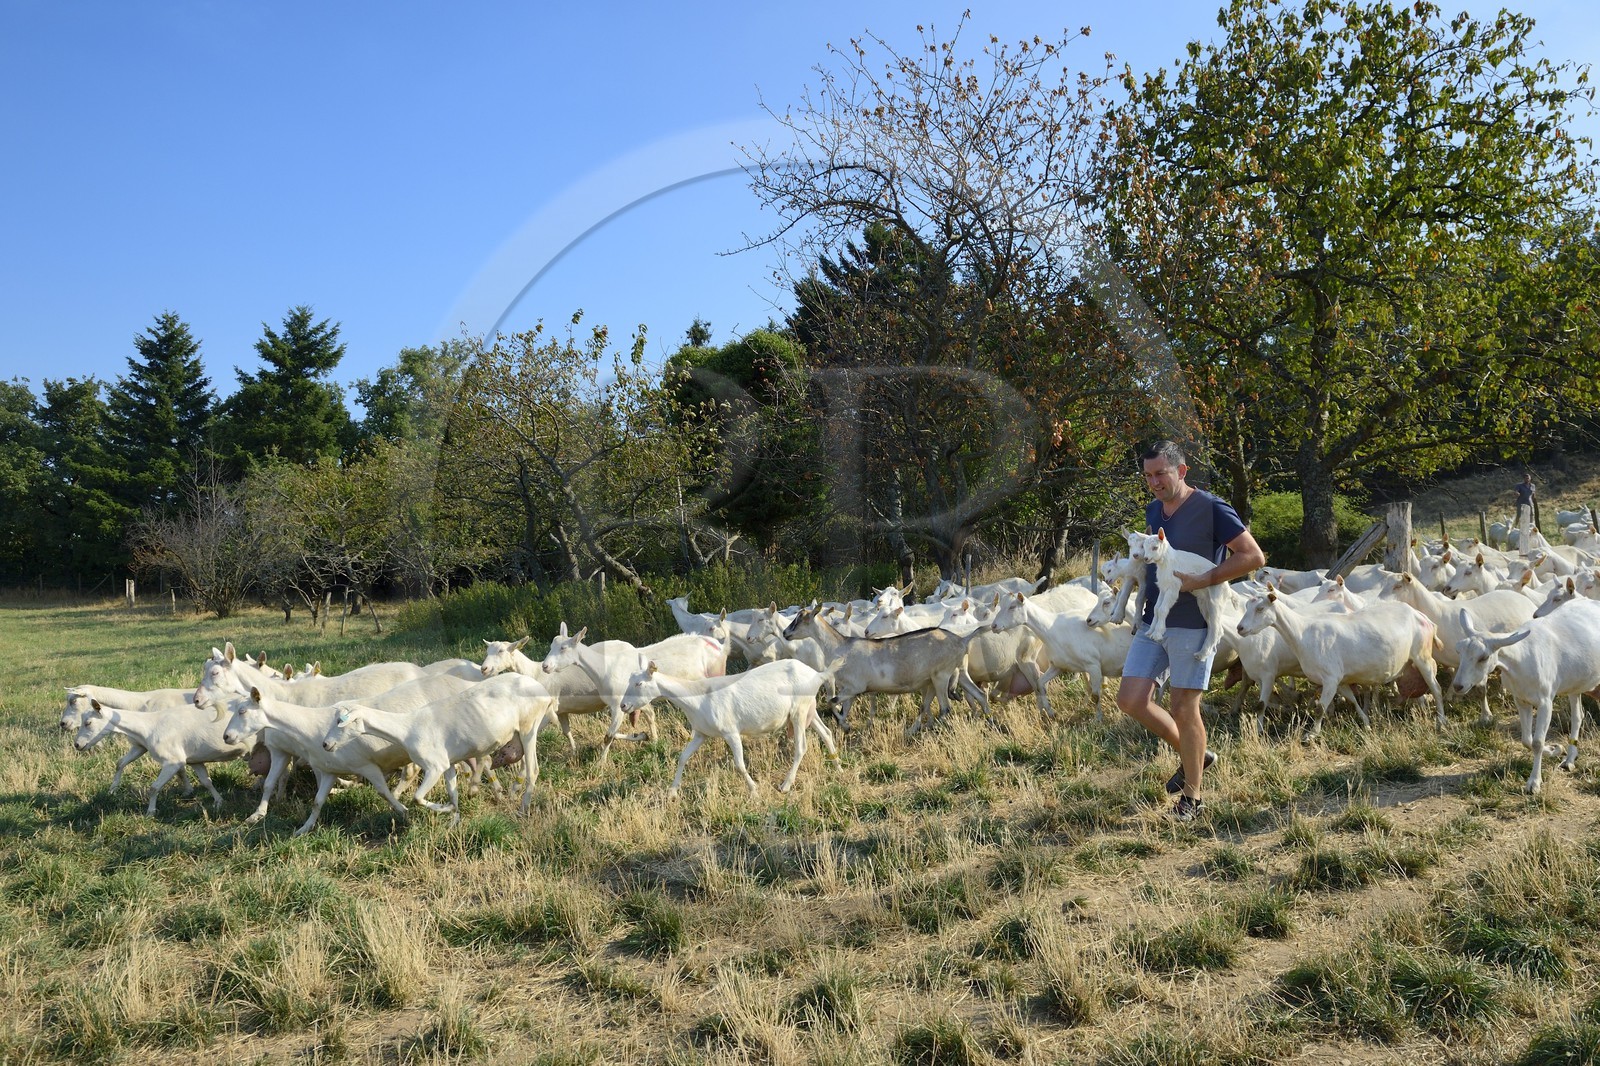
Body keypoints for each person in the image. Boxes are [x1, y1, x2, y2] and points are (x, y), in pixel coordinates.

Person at [1114, 441, 1265, 822]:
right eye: (1147, 476)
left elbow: (1253, 557)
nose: (1154, 482)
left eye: (1160, 474)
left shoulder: (1211, 508)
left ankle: (1192, 799)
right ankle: (1196, 755)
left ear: (1181, 471)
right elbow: (1152, 564)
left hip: (1195, 623)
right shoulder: (1153, 511)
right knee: (1131, 699)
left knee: (1183, 706)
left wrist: (1203, 579)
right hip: (1155, 620)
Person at [1513, 473, 1535, 545]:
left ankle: (1531, 527)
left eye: (1528, 478)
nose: (1527, 479)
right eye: (1526, 478)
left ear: (1530, 478)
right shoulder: (1519, 486)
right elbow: (1516, 491)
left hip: (1530, 502)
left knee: (1532, 515)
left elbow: (1533, 494)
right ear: (1524, 479)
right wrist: (1516, 493)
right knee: (1519, 515)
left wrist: (1534, 501)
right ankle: (1515, 527)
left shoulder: (1532, 486)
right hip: (1521, 502)